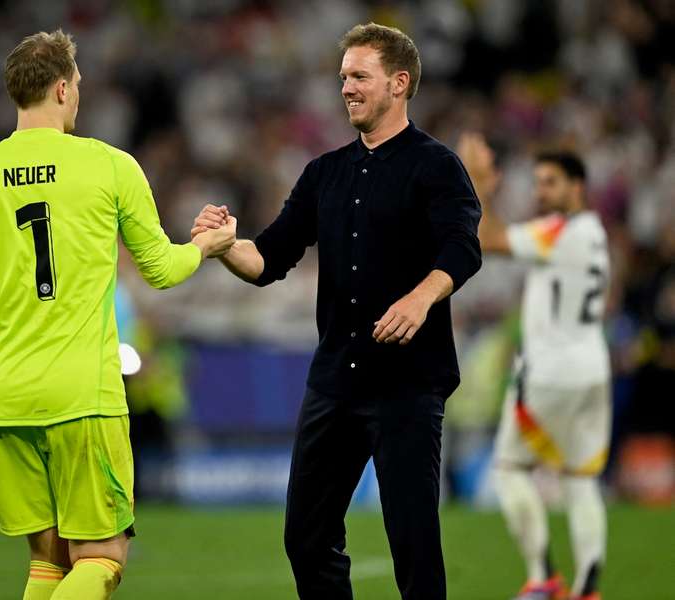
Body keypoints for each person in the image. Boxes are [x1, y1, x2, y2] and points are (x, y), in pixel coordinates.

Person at [0, 30, 235, 600]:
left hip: (7, 396)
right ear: (65, 89)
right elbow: (162, 270)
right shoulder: (110, 166)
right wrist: (208, 247)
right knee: (102, 558)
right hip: (83, 394)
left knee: (47, 564)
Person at [192, 23, 481, 600]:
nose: (345, 87)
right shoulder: (323, 172)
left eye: (359, 76)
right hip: (335, 382)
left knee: (413, 545)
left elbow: (462, 247)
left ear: (399, 84)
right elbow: (268, 258)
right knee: (306, 537)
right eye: (343, 76)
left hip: (406, 384)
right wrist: (223, 246)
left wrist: (421, 297)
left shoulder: (435, 165)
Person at [458, 134, 610, 600]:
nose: (541, 193)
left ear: (578, 186)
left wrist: (480, 185)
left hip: (548, 374)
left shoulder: (560, 233)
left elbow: (489, 238)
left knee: (510, 469)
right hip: (592, 371)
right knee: (581, 479)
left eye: (551, 183)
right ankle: (588, 587)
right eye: (538, 183)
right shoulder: (595, 233)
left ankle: (543, 578)